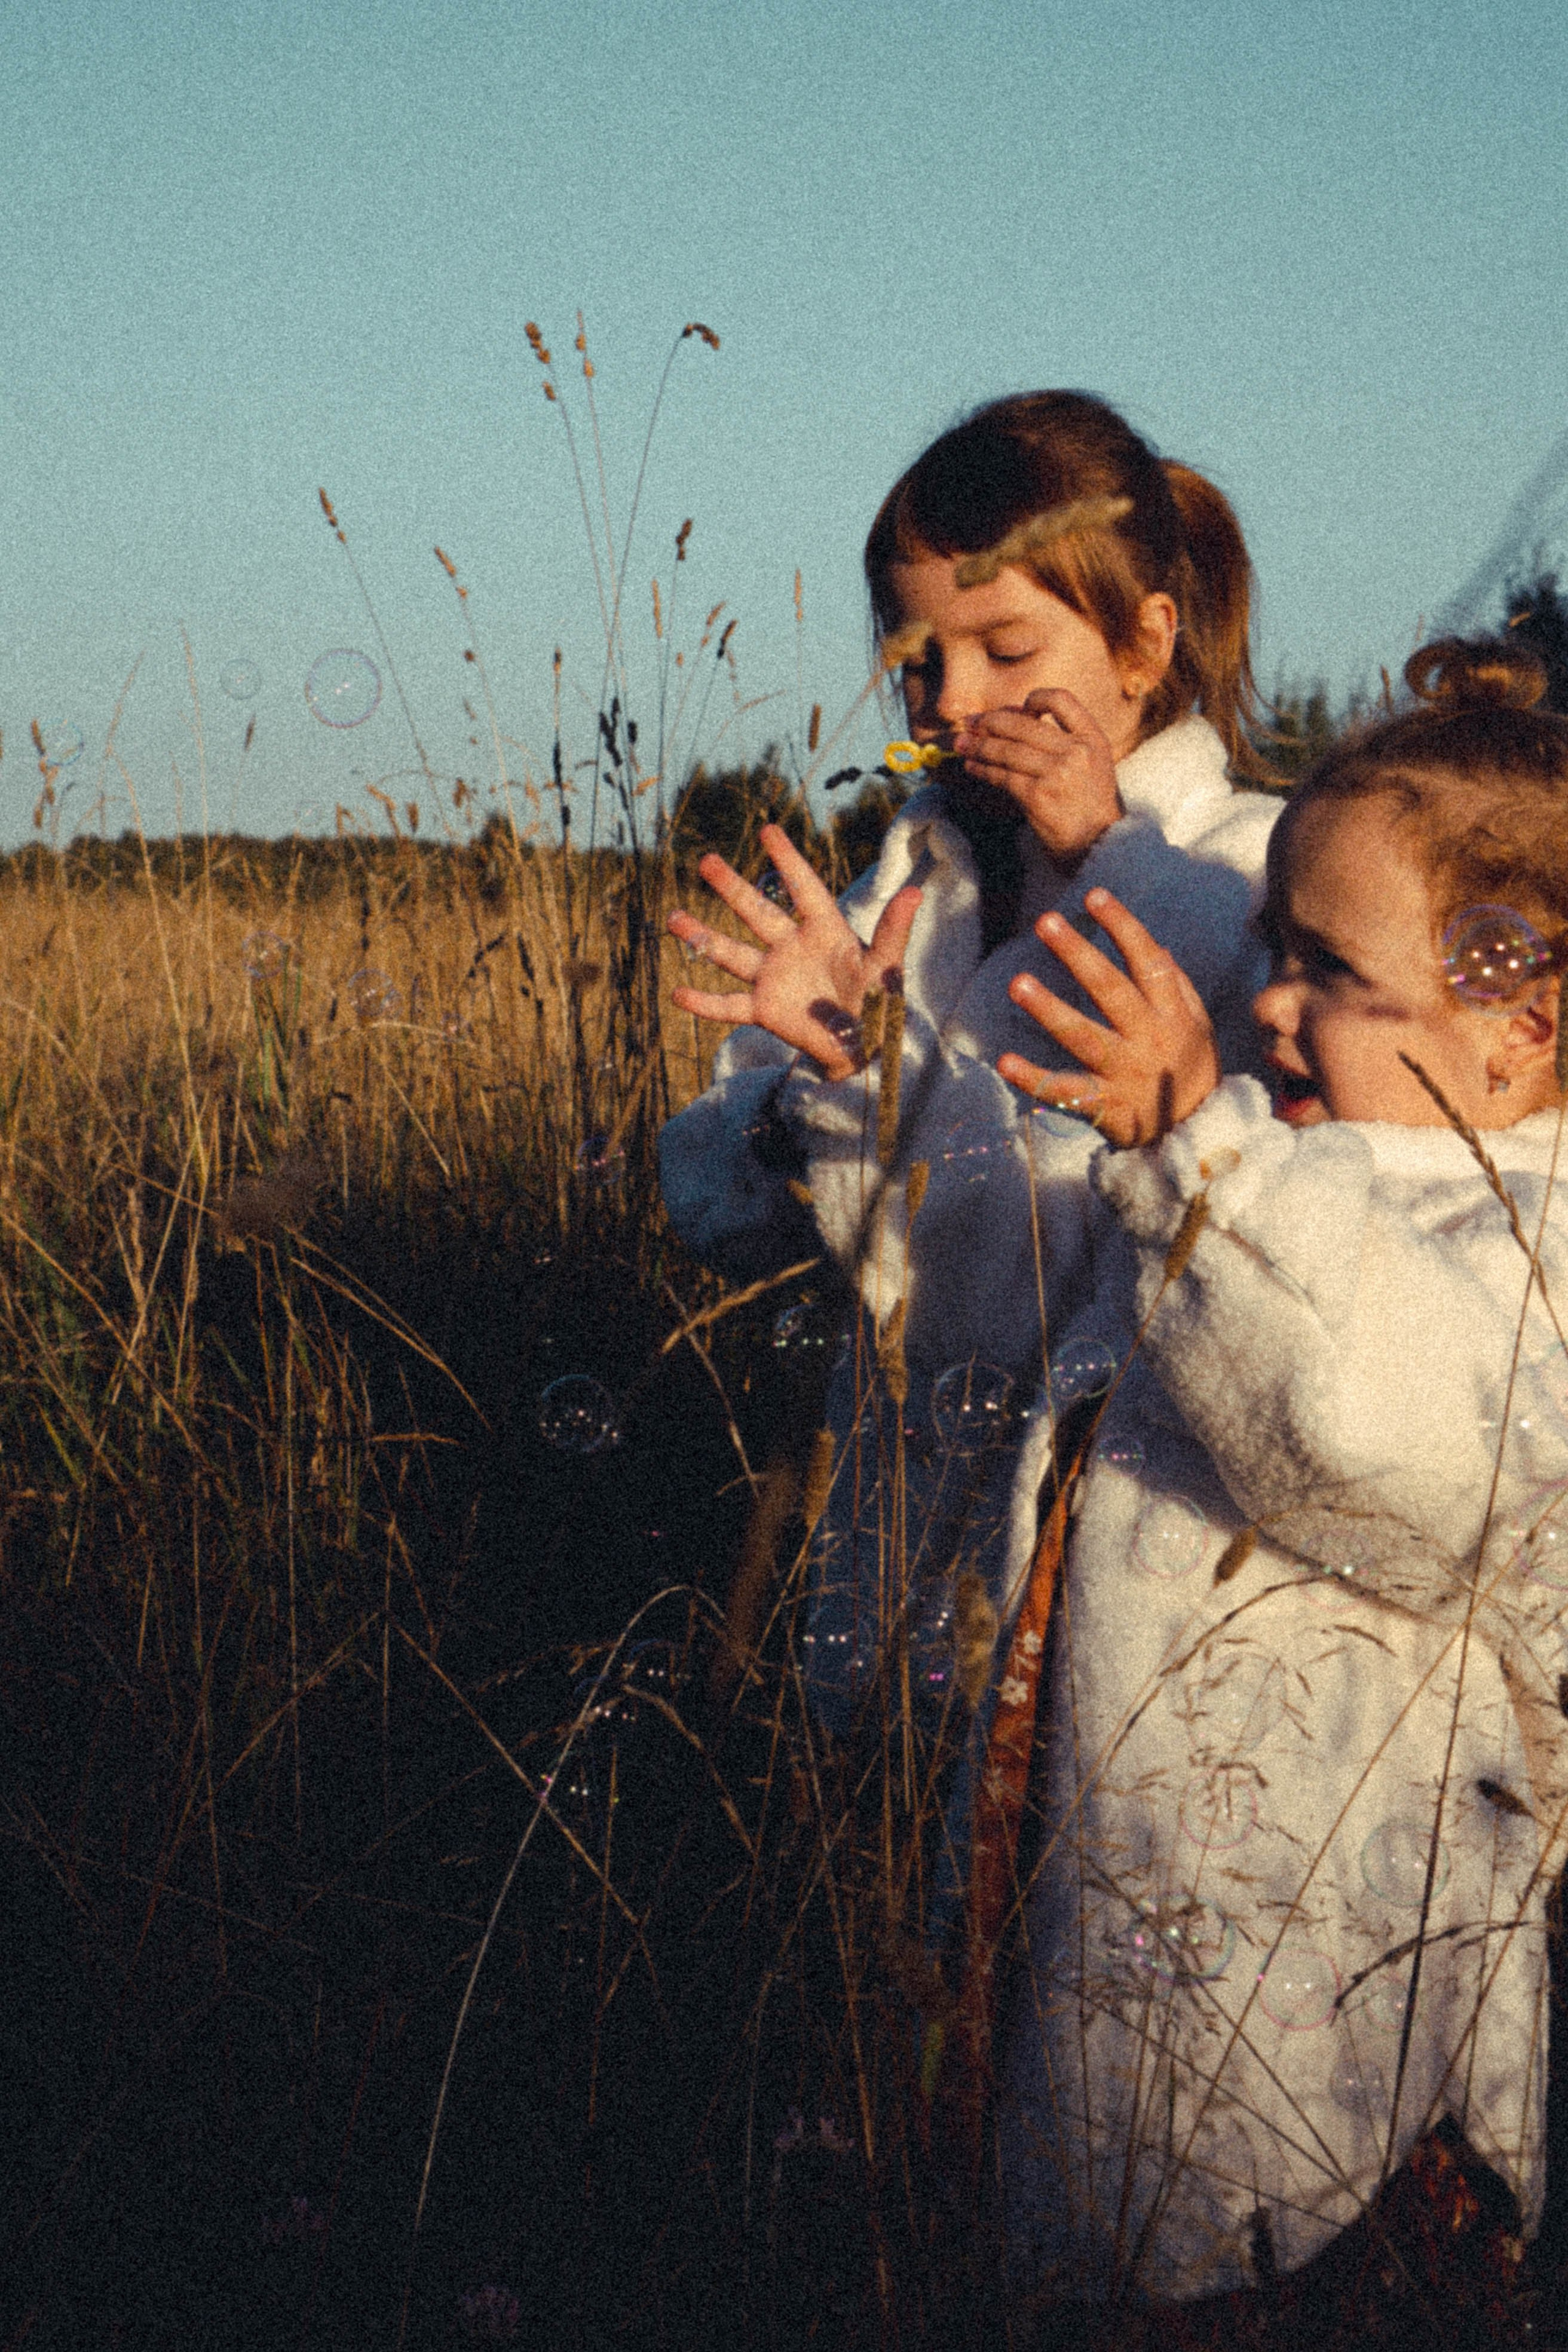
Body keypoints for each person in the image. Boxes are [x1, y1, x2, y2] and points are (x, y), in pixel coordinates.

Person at [983, 636, 1568, 2317]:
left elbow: (1377, 1429)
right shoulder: (1271, 1180)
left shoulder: (1523, 1245)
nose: (1271, 1003)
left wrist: (1200, 1151)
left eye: (1328, 967)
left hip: (1352, 2105)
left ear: (1522, 1027)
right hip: (1129, 1976)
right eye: (1269, 948)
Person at [658, 392, 1281, 1727]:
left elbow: (1231, 1244)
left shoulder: (1247, 882)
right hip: (884, 1569)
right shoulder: (916, 874)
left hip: (1113, 1592)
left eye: (1004, 649)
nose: (951, 702)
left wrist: (1094, 859)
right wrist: (819, 1079)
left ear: (1140, 642)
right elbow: (716, 1205)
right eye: (916, 661)